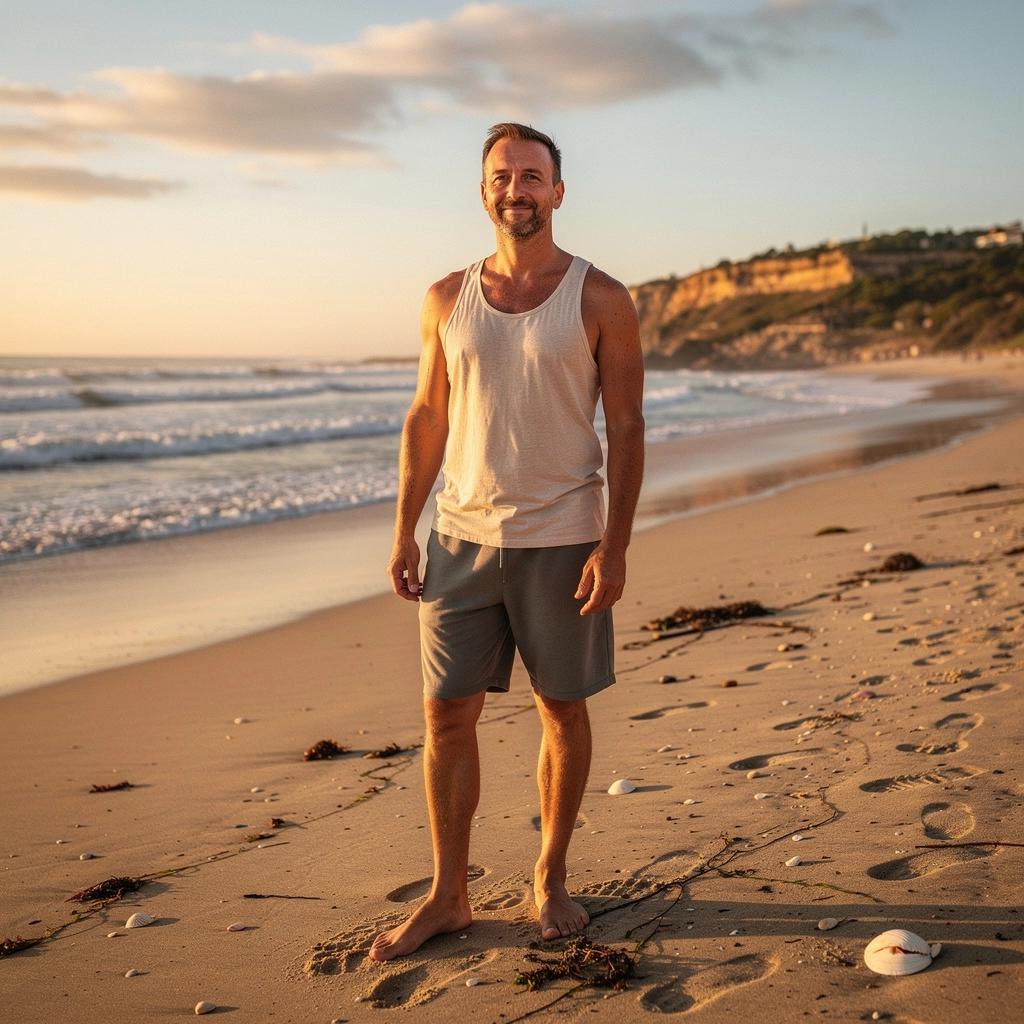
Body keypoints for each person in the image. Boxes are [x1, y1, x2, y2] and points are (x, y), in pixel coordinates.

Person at [371, 123, 645, 962]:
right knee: (445, 715)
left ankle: (550, 877)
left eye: (532, 176)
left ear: (558, 192)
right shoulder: (445, 297)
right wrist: (405, 527)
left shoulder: (601, 298)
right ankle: (448, 894)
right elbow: (428, 415)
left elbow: (627, 425)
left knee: (561, 709)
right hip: (460, 535)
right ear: (482, 190)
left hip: (564, 536)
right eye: (501, 176)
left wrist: (616, 544)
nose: (515, 189)